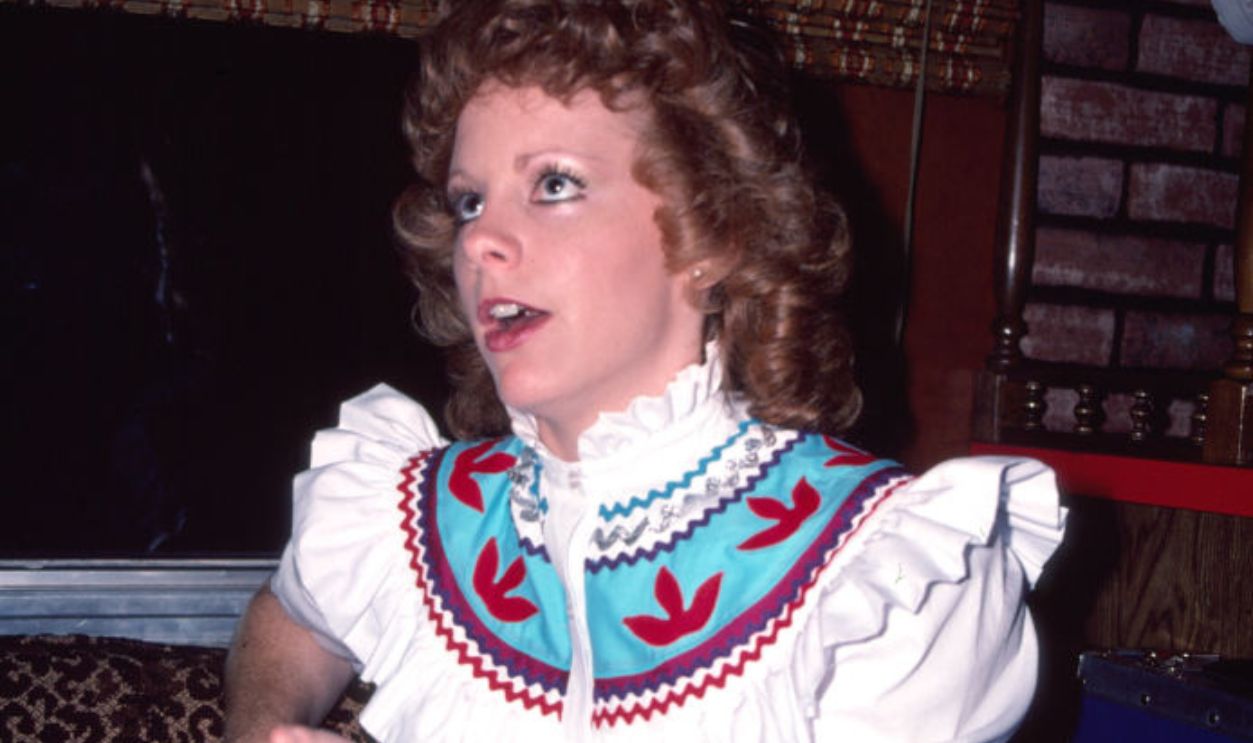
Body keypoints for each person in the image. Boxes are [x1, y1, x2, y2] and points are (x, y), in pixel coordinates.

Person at [224, 1, 1067, 741]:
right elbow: (290, 622)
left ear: (711, 238)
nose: (479, 240)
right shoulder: (408, 515)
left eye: (553, 183)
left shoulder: (884, 576)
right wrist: (260, 729)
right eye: (469, 200)